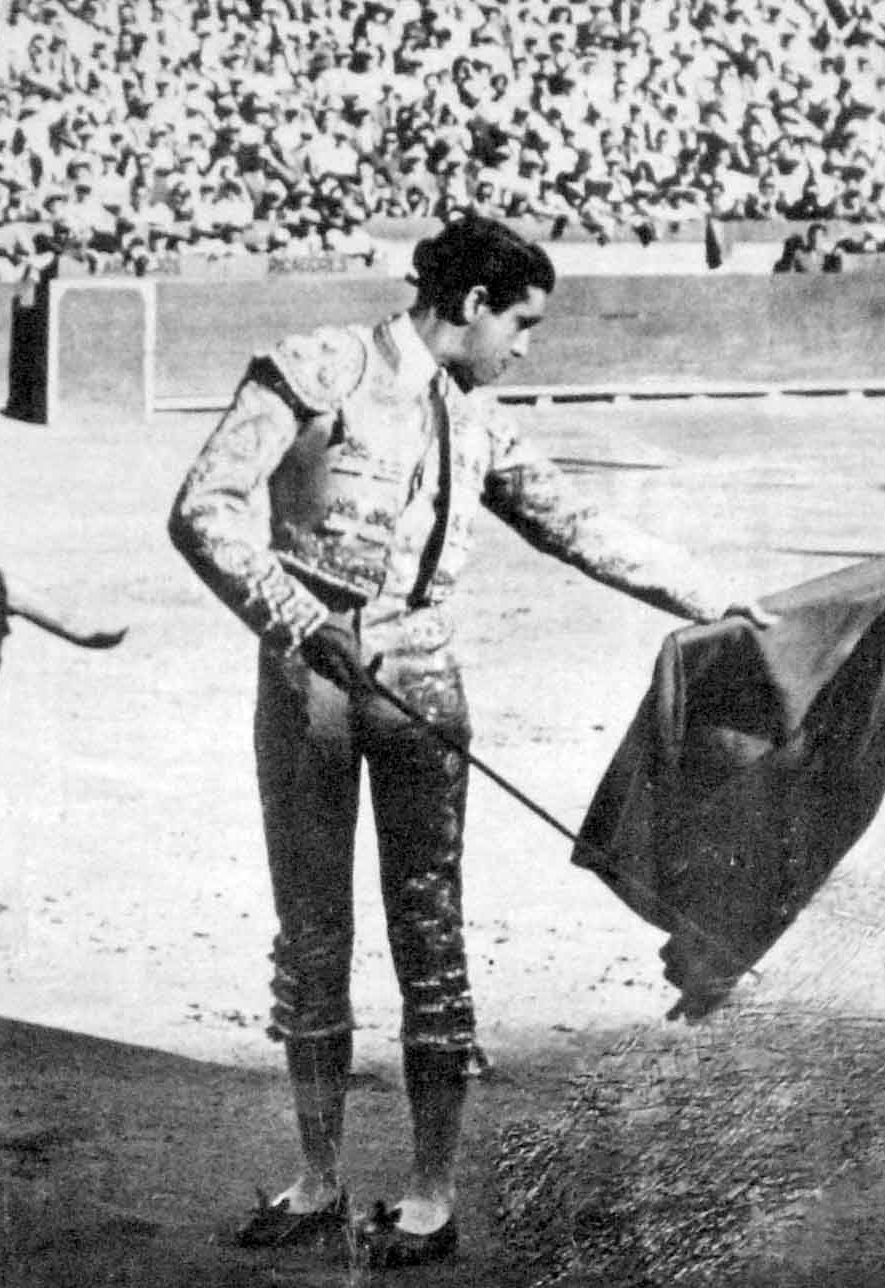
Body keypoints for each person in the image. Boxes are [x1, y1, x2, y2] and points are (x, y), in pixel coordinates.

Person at [167, 215, 773, 1269]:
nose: (523, 347)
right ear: (470, 304)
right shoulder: (318, 368)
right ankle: (316, 1177)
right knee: (310, 930)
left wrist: (707, 591)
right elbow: (203, 509)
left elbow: (570, 522)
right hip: (307, 679)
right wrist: (299, 618)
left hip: (421, 685)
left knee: (428, 933)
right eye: (520, 324)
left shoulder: (471, 419)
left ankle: (430, 1191)